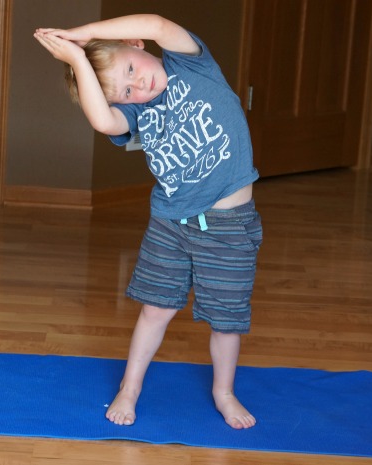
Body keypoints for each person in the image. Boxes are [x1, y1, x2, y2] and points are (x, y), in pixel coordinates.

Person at [34, 14, 262, 430]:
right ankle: (130, 387)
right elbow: (104, 120)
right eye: (125, 90)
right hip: (171, 225)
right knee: (154, 311)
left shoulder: (190, 65)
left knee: (226, 320)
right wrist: (78, 62)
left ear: (135, 45)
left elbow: (158, 24)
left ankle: (224, 392)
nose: (138, 86)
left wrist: (85, 36)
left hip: (228, 227)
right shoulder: (138, 116)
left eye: (132, 70)